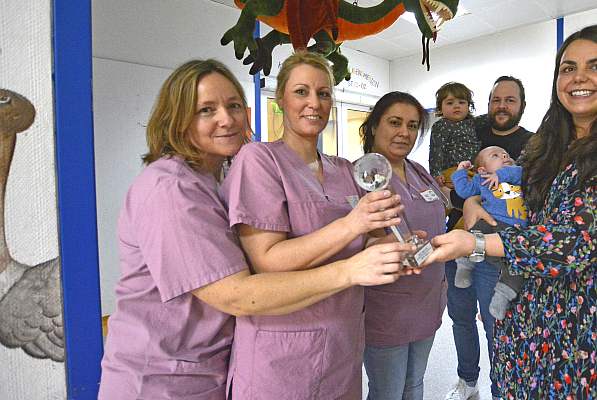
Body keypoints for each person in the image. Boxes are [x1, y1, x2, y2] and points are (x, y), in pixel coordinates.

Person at [98, 59, 413, 399]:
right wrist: (351, 264)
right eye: (206, 110)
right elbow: (237, 293)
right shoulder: (173, 189)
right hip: (164, 375)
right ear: (176, 119)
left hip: (238, 360)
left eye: (234, 105)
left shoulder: (215, 176)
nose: (227, 119)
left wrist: (383, 249)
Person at [424, 25, 597, 399]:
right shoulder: (545, 147)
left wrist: (473, 244)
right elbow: (515, 202)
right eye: (567, 68)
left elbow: (575, 242)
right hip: (533, 333)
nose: (579, 77)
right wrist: (472, 200)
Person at [219, 52, 418, 400]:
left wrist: (391, 249)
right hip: (282, 354)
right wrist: (353, 223)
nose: (314, 103)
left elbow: (362, 245)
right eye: (301, 92)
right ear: (280, 100)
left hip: (343, 348)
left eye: (324, 93)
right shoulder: (259, 161)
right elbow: (267, 260)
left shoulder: (343, 169)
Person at [443, 75, 532, 400]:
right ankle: (467, 382)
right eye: (496, 99)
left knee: (498, 327)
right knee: (461, 319)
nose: (502, 106)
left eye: (510, 100)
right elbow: (452, 188)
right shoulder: (470, 133)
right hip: (462, 239)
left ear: (522, 105)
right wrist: (469, 201)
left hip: (501, 252)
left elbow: (536, 197)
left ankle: (502, 391)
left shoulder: (533, 144)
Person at [359, 91, 447, 400]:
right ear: (373, 126)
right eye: (395, 123)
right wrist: (379, 244)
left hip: (428, 301)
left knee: (414, 386)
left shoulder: (419, 171)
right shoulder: (359, 176)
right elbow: (352, 242)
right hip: (388, 309)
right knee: (388, 393)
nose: (404, 133)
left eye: (412, 126)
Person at [450, 146, 528, 321]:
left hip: (515, 232)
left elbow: (520, 171)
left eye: (506, 154)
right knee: (473, 235)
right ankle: (464, 266)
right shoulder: (482, 179)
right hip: (490, 223)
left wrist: (500, 175)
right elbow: (464, 191)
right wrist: (460, 172)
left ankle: (501, 299)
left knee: (517, 269)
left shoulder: (517, 176)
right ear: (482, 170)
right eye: (496, 156)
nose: (505, 155)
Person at [428, 82, 481, 232]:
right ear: (440, 108)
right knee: (449, 205)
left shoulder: (472, 123)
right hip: (451, 172)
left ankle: (460, 229)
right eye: (450, 103)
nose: (456, 106)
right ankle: (443, 230)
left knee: (468, 203)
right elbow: (436, 149)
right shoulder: (442, 126)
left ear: (469, 106)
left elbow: (489, 118)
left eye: (461, 102)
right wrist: (436, 173)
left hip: (471, 172)